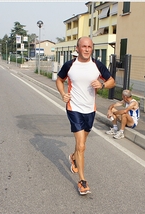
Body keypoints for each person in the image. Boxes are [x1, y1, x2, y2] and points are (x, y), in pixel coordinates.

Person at [56, 36, 115, 195]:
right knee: (81, 145)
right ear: (77, 48)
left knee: (83, 144)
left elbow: (111, 81)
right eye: (84, 46)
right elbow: (59, 80)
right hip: (74, 107)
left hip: (90, 109)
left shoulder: (97, 65)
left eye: (89, 46)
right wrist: (63, 94)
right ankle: (82, 181)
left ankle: (73, 157)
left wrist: (102, 84)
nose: (87, 49)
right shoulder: (70, 65)